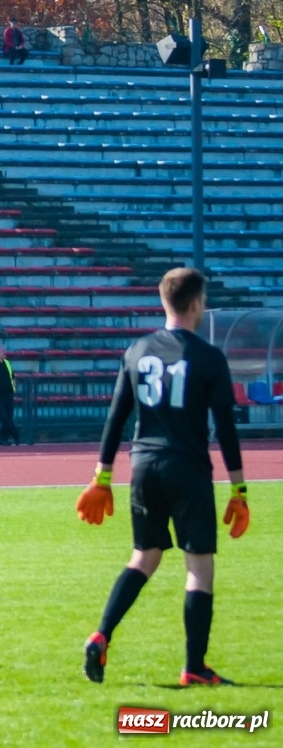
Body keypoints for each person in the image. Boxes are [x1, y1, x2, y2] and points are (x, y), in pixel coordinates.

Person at [76, 267, 247, 688]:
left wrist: (101, 477)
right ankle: (194, 666)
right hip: (187, 467)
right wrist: (239, 488)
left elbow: (116, 418)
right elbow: (225, 427)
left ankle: (101, 633)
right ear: (195, 305)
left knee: (144, 557)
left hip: (143, 466)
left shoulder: (137, 350)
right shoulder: (208, 357)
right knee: (198, 568)